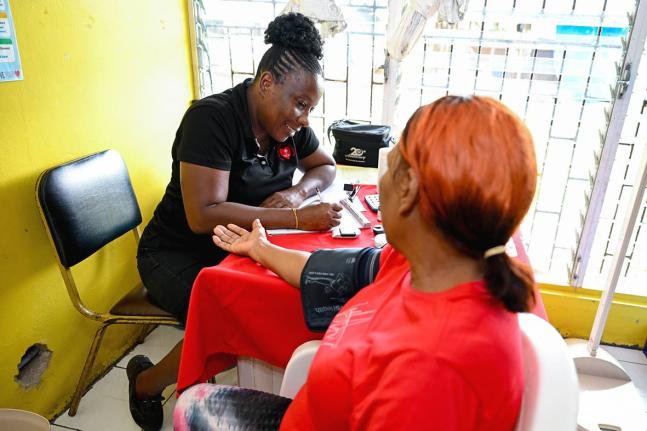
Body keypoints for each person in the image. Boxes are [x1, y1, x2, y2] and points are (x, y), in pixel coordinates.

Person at [173, 95, 539, 430]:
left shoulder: (432, 371)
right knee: (192, 405)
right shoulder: (422, 262)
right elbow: (325, 272)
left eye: (392, 159)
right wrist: (261, 248)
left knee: (190, 410)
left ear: (409, 188)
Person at [127, 13, 342, 431]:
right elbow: (202, 214)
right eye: (300, 105)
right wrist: (295, 217)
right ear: (266, 84)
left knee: (280, 307)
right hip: (177, 252)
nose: (303, 119)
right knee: (231, 317)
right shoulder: (211, 119)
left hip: (240, 246)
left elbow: (327, 167)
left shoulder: (287, 126)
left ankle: (265, 391)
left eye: (310, 109)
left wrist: (297, 193)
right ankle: (147, 384)